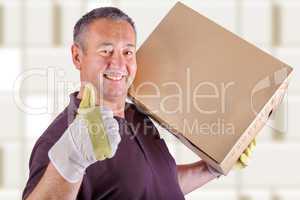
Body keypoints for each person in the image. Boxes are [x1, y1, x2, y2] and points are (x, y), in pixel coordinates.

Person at [22, 7, 254, 200]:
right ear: (77, 56)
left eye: (128, 52)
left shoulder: (140, 117)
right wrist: (70, 159)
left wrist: (210, 168)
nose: (118, 63)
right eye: (106, 51)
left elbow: (157, 187)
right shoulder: (61, 139)